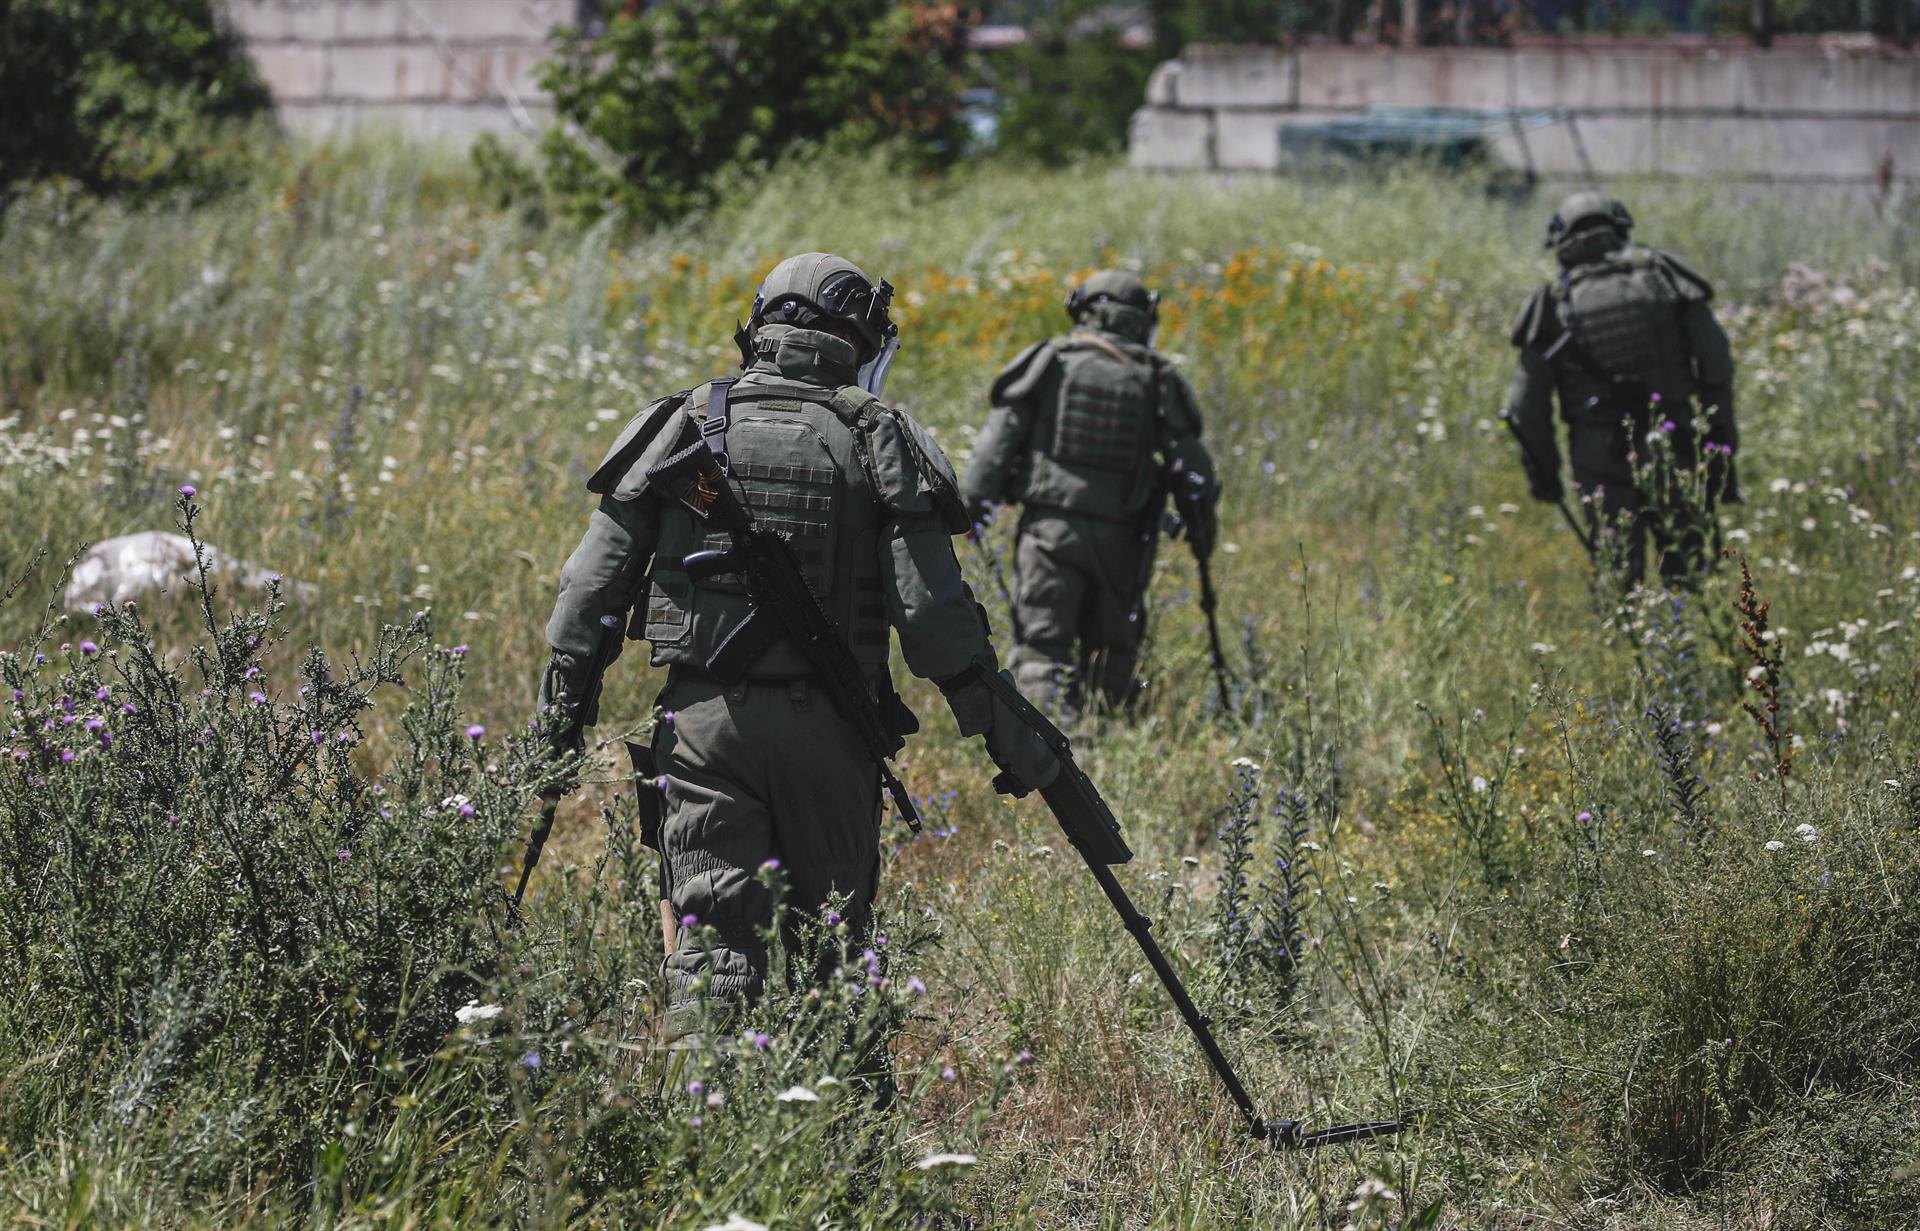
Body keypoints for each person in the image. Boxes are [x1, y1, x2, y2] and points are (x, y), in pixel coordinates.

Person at [533, 252, 1055, 1027]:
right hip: (830, 734)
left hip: (703, 729)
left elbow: (587, 594)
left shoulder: (683, 420)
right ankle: (847, 1143)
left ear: (760, 326)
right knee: (835, 965)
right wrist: (1006, 730)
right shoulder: (879, 433)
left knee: (709, 965)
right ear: (860, 339)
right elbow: (935, 620)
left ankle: (699, 1136)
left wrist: (557, 724)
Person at [961, 269, 1218, 714]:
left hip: (1050, 532)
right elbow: (1193, 470)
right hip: (1125, 537)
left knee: (1042, 644)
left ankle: (1052, 748)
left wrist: (972, 506)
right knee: (1112, 647)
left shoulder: (1051, 360)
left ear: (1082, 308)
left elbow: (998, 441)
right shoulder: (1157, 377)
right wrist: (1201, 532)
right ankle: (1105, 734)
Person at [1505, 191, 1740, 587]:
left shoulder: (1551, 305)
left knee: (1618, 578)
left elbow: (1525, 406)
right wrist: (1722, 445)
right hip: (1675, 439)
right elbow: (1716, 362)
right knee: (1693, 570)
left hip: (1600, 456)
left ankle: (1625, 644)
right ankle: (1699, 642)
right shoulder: (1666, 279)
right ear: (1620, 229)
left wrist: (1544, 474)